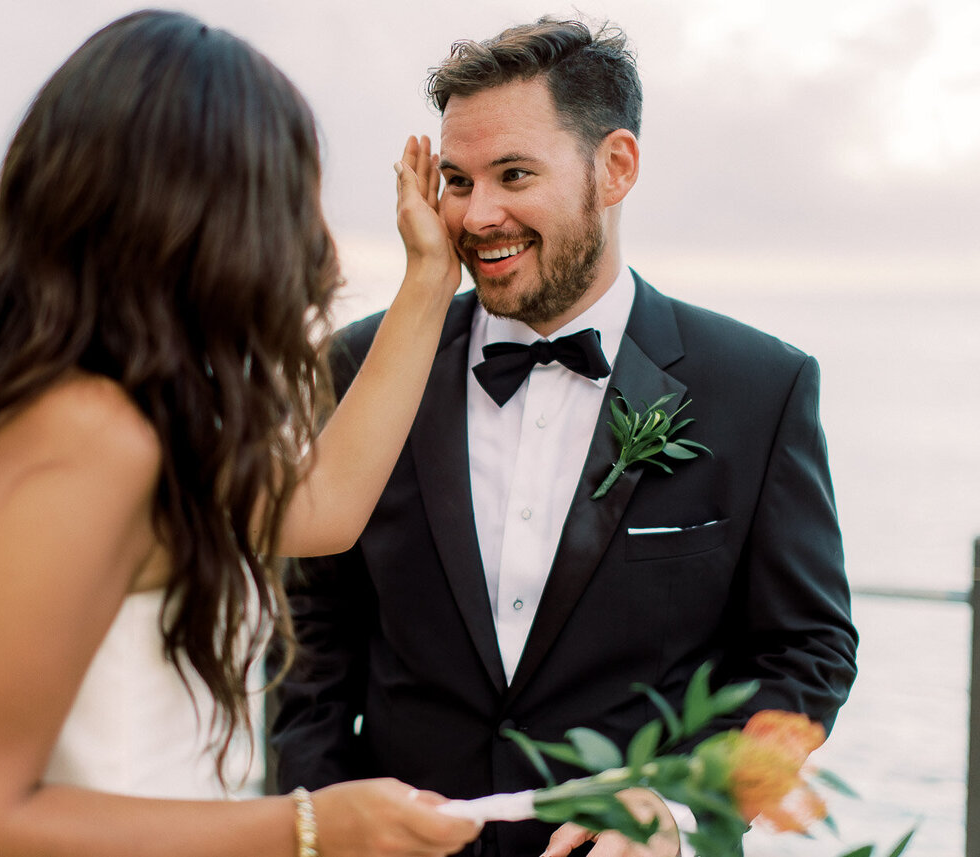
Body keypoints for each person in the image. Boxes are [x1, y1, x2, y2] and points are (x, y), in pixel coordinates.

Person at [0, 10, 481, 857]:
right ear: (217, 216)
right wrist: (311, 827)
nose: (305, 237)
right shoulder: (88, 442)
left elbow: (324, 505)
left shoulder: (70, 415)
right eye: (291, 194)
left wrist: (429, 279)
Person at [271, 16, 858, 857]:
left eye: (514, 174)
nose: (478, 216)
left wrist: (686, 803)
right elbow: (311, 638)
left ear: (614, 168)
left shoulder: (760, 386)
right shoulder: (362, 364)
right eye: (457, 179)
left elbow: (809, 651)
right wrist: (316, 824)